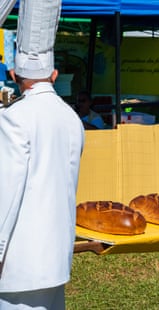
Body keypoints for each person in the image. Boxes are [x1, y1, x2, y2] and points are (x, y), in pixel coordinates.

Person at [0, 0, 85, 308]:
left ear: (13, 75)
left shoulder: (14, 117)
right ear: (54, 74)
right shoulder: (71, 117)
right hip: (55, 259)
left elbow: (5, 193)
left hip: (17, 264)